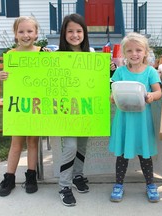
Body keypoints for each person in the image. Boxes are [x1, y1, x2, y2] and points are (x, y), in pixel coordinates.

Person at [0, 16, 50, 197]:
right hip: (18, 106)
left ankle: (31, 176)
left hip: (36, 105)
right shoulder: (11, 55)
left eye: (29, 31)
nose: (25, 35)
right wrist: (2, 77)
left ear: (36, 34)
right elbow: (8, 83)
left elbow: (52, 76)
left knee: (33, 142)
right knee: (16, 143)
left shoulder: (43, 53)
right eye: (21, 31)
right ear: (15, 34)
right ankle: (9, 177)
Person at [109, 32, 162, 202]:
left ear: (145, 52)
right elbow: (112, 91)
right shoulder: (120, 72)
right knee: (122, 154)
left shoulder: (150, 72)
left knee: (144, 154)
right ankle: (118, 185)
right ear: (124, 53)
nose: (134, 54)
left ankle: (150, 184)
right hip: (124, 119)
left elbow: (158, 91)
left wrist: (152, 96)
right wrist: (112, 97)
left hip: (142, 121)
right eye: (130, 51)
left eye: (138, 50)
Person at [56, 13, 94, 207]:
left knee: (81, 145)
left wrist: (110, 69)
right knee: (70, 146)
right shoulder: (56, 56)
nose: (74, 34)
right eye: (70, 31)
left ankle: (78, 175)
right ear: (63, 33)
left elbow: (99, 82)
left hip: (85, 109)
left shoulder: (92, 55)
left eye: (78, 31)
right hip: (65, 110)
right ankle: (64, 185)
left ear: (84, 33)